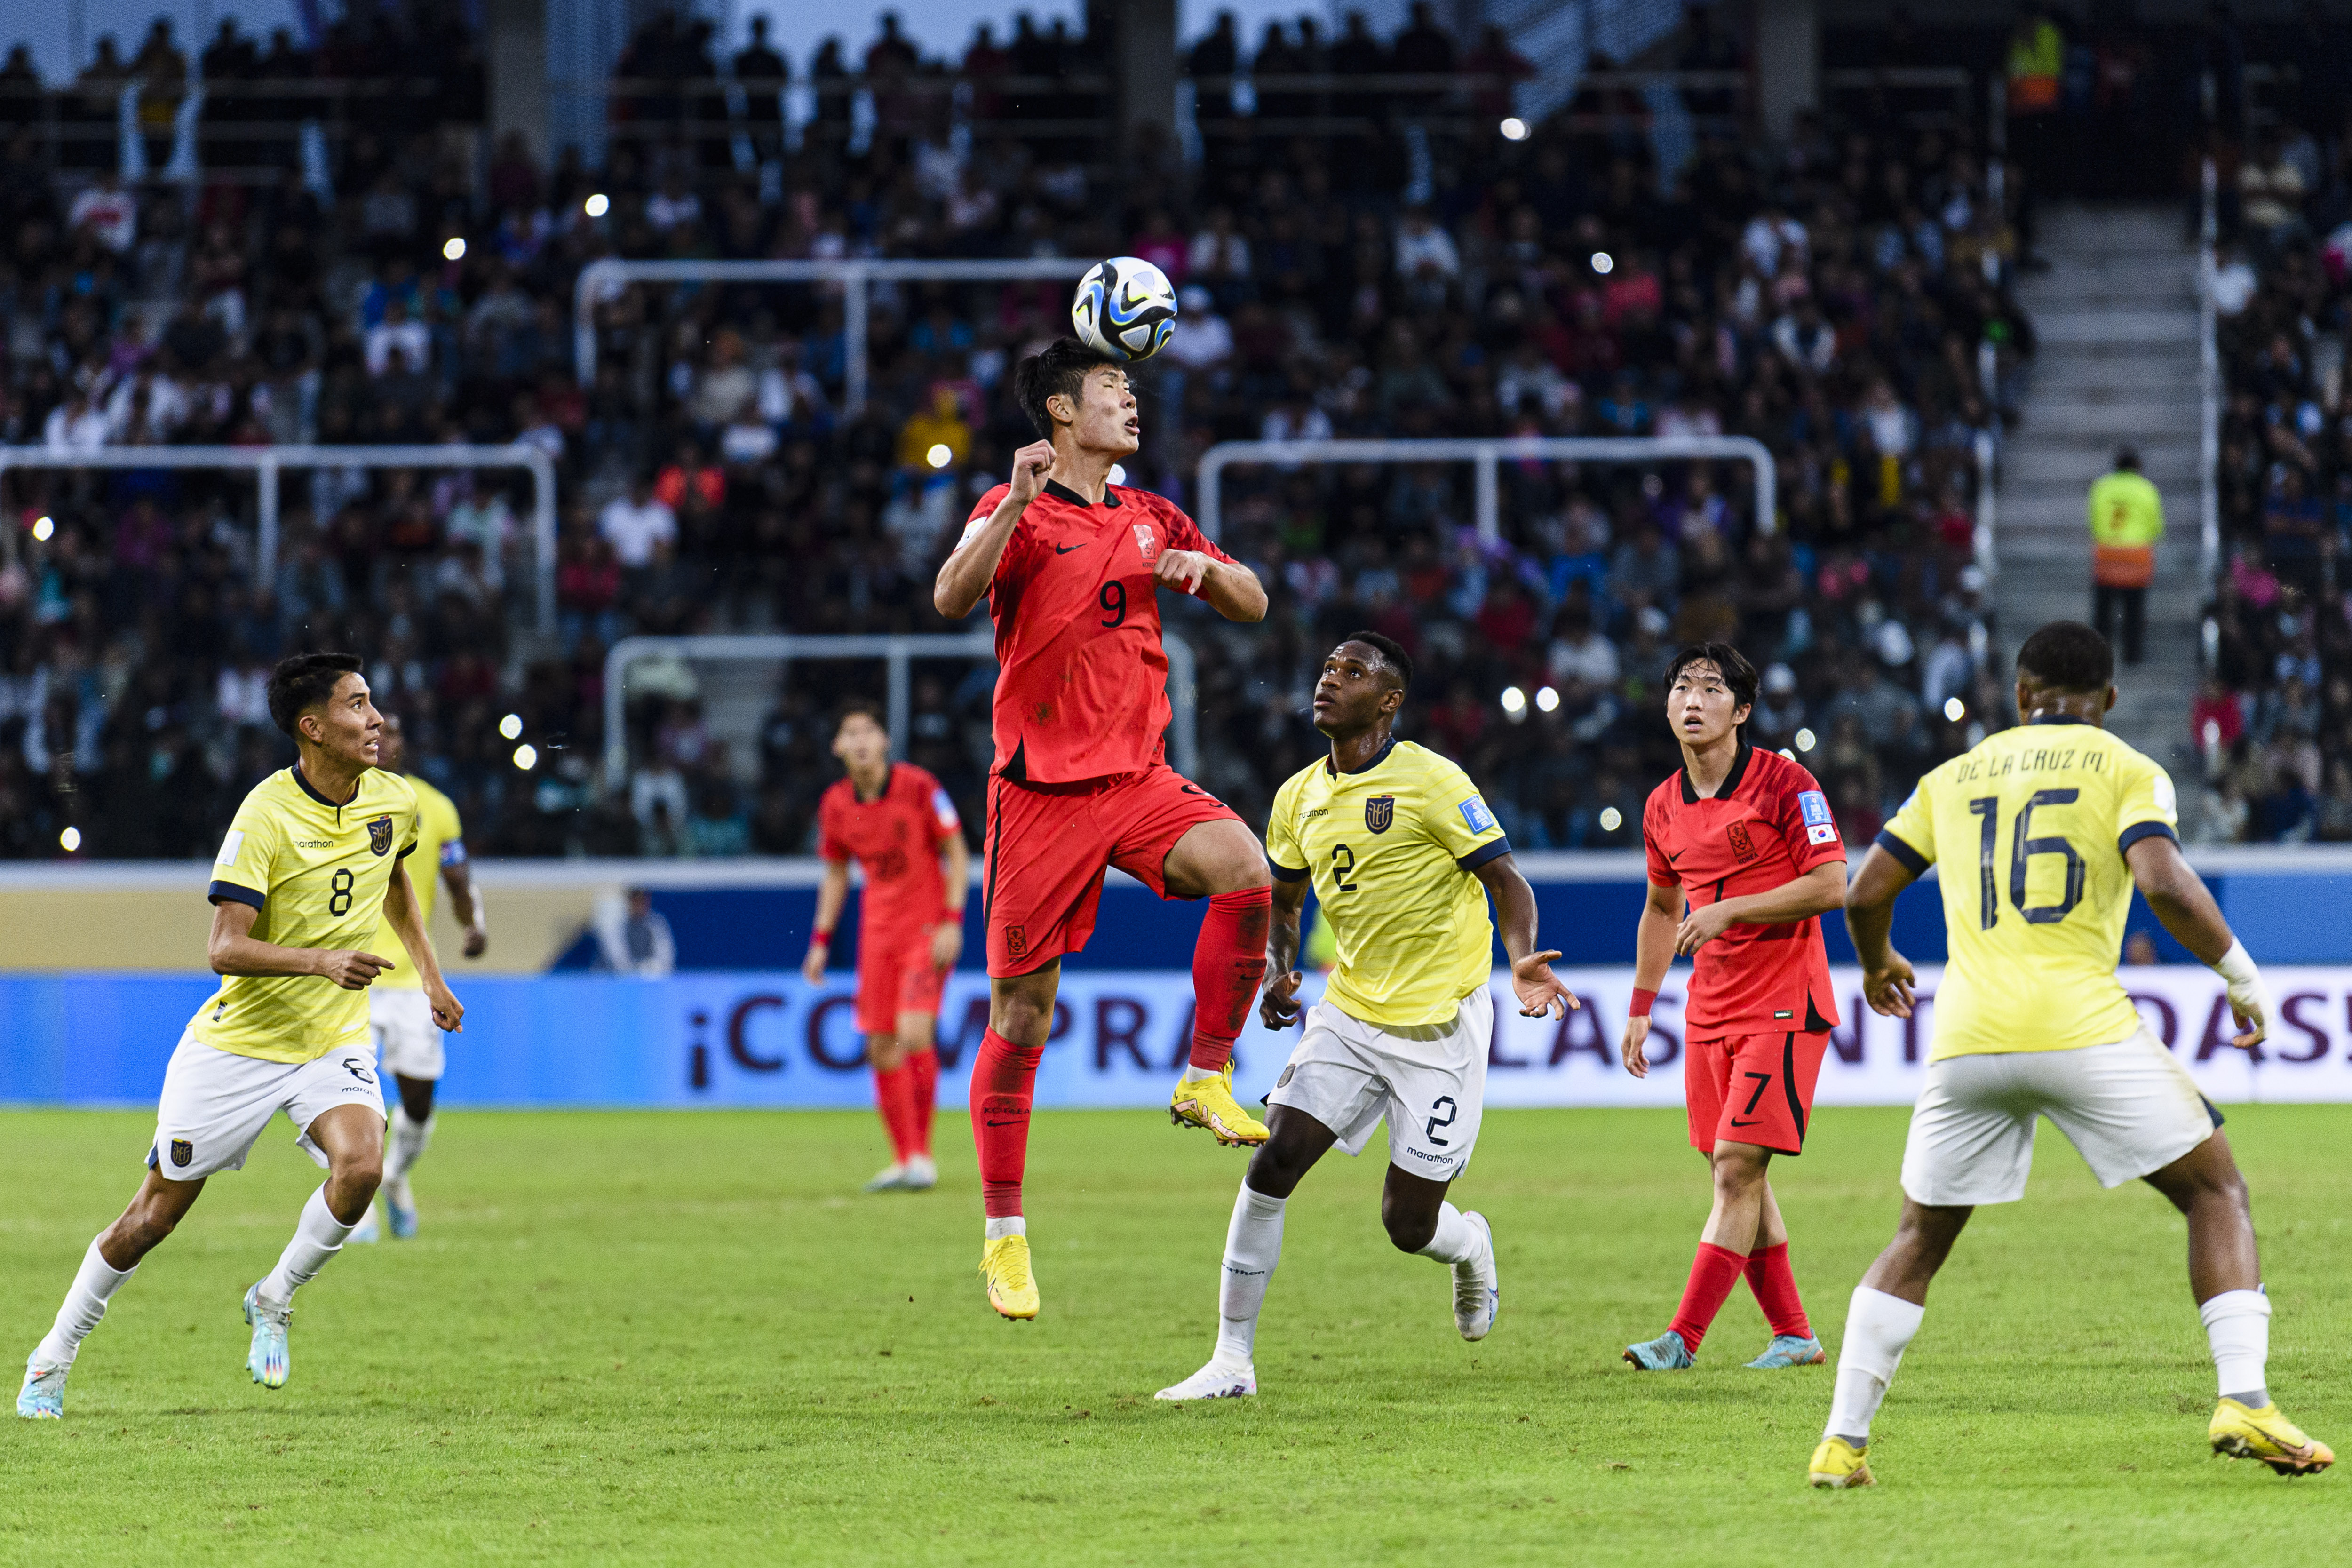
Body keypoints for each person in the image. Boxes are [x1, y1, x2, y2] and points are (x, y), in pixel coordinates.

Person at [1810, 621, 2330, 1488]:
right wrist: (2240, 974)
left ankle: (1841, 1441)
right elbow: (2162, 879)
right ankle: (2243, 1396)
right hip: (2083, 1027)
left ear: (2019, 696)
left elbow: (1865, 891)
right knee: (2215, 1190)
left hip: (1968, 1042)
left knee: (1915, 1239)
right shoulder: (2125, 767)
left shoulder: (1950, 777)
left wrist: (1876, 963)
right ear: (2109, 701)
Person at [18, 654, 461, 1416]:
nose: (378, 718)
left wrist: (430, 974)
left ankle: (273, 1295)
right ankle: (52, 1357)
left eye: (374, 702)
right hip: (239, 1045)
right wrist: (320, 959)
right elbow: (223, 947)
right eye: (358, 705)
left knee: (361, 1168)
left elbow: (394, 879)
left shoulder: (393, 799)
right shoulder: (263, 816)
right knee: (153, 1216)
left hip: (331, 1040)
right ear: (312, 727)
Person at [932, 338, 1274, 1321]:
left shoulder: (1149, 511)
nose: (1132, 402)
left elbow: (1255, 601)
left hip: (1137, 777)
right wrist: (1009, 506)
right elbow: (952, 595)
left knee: (1245, 868)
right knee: (1021, 1019)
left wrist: (1201, 570)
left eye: (1131, 388)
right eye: (1112, 389)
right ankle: (1004, 1235)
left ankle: (1204, 1074)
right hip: (1038, 794)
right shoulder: (1015, 513)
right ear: (1057, 410)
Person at [1155, 634, 1573, 1400]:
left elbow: (1506, 880)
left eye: (1352, 672)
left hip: (1438, 1027)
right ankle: (1232, 1360)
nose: (1328, 680)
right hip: (1347, 1013)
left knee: (1408, 1223)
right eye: (1326, 668)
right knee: (1273, 1159)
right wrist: (1281, 971)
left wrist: (1521, 958)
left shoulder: (1432, 781)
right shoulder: (1297, 797)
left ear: (1388, 701)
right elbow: (1283, 902)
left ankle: (1470, 1242)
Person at [1619, 643, 1850, 1372]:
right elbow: (1661, 908)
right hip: (1708, 1008)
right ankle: (1796, 1335)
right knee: (1740, 1178)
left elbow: (1832, 884)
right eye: (1682, 687)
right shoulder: (1661, 806)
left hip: (1784, 1001)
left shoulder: (1787, 782)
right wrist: (1640, 1004)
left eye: (1712, 689)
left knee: (1734, 1170)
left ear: (1742, 711)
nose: (1693, 700)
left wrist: (1729, 912)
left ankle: (1680, 1340)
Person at [802, 702, 970, 1193]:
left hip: (924, 930)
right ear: (837, 747)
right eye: (849, 733)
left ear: (884, 742)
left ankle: (923, 1156)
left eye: (868, 731)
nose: (859, 741)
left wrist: (953, 920)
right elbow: (835, 873)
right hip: (876, 936)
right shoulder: (835, 804)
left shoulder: (919, 787)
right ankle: (902, 1159)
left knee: (913, 1033)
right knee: (879, 1046)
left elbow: (956, 852)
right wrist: (819, 940)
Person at [349, 714, 486, 1243]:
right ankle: (355, 1203)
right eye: (375, 730)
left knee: (421, 1103)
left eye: (396, 732)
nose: (384, 740)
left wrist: (475, 924)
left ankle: (395, 1177)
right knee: (349, 1100)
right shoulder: (330, 803)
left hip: (410, 981)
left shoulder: (433, 808)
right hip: (348, 978)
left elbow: (457, 881)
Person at [2088, 447, 2163, 665]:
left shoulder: (2101, 487)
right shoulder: (2147, 489)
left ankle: (2100, 656)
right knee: (2134, 613)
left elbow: (2093, 522)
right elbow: (2156, 528)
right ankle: (2132, 657)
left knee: (2103, 613)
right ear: (2137, 466)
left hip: (2107, 555)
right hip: (2137, 557)